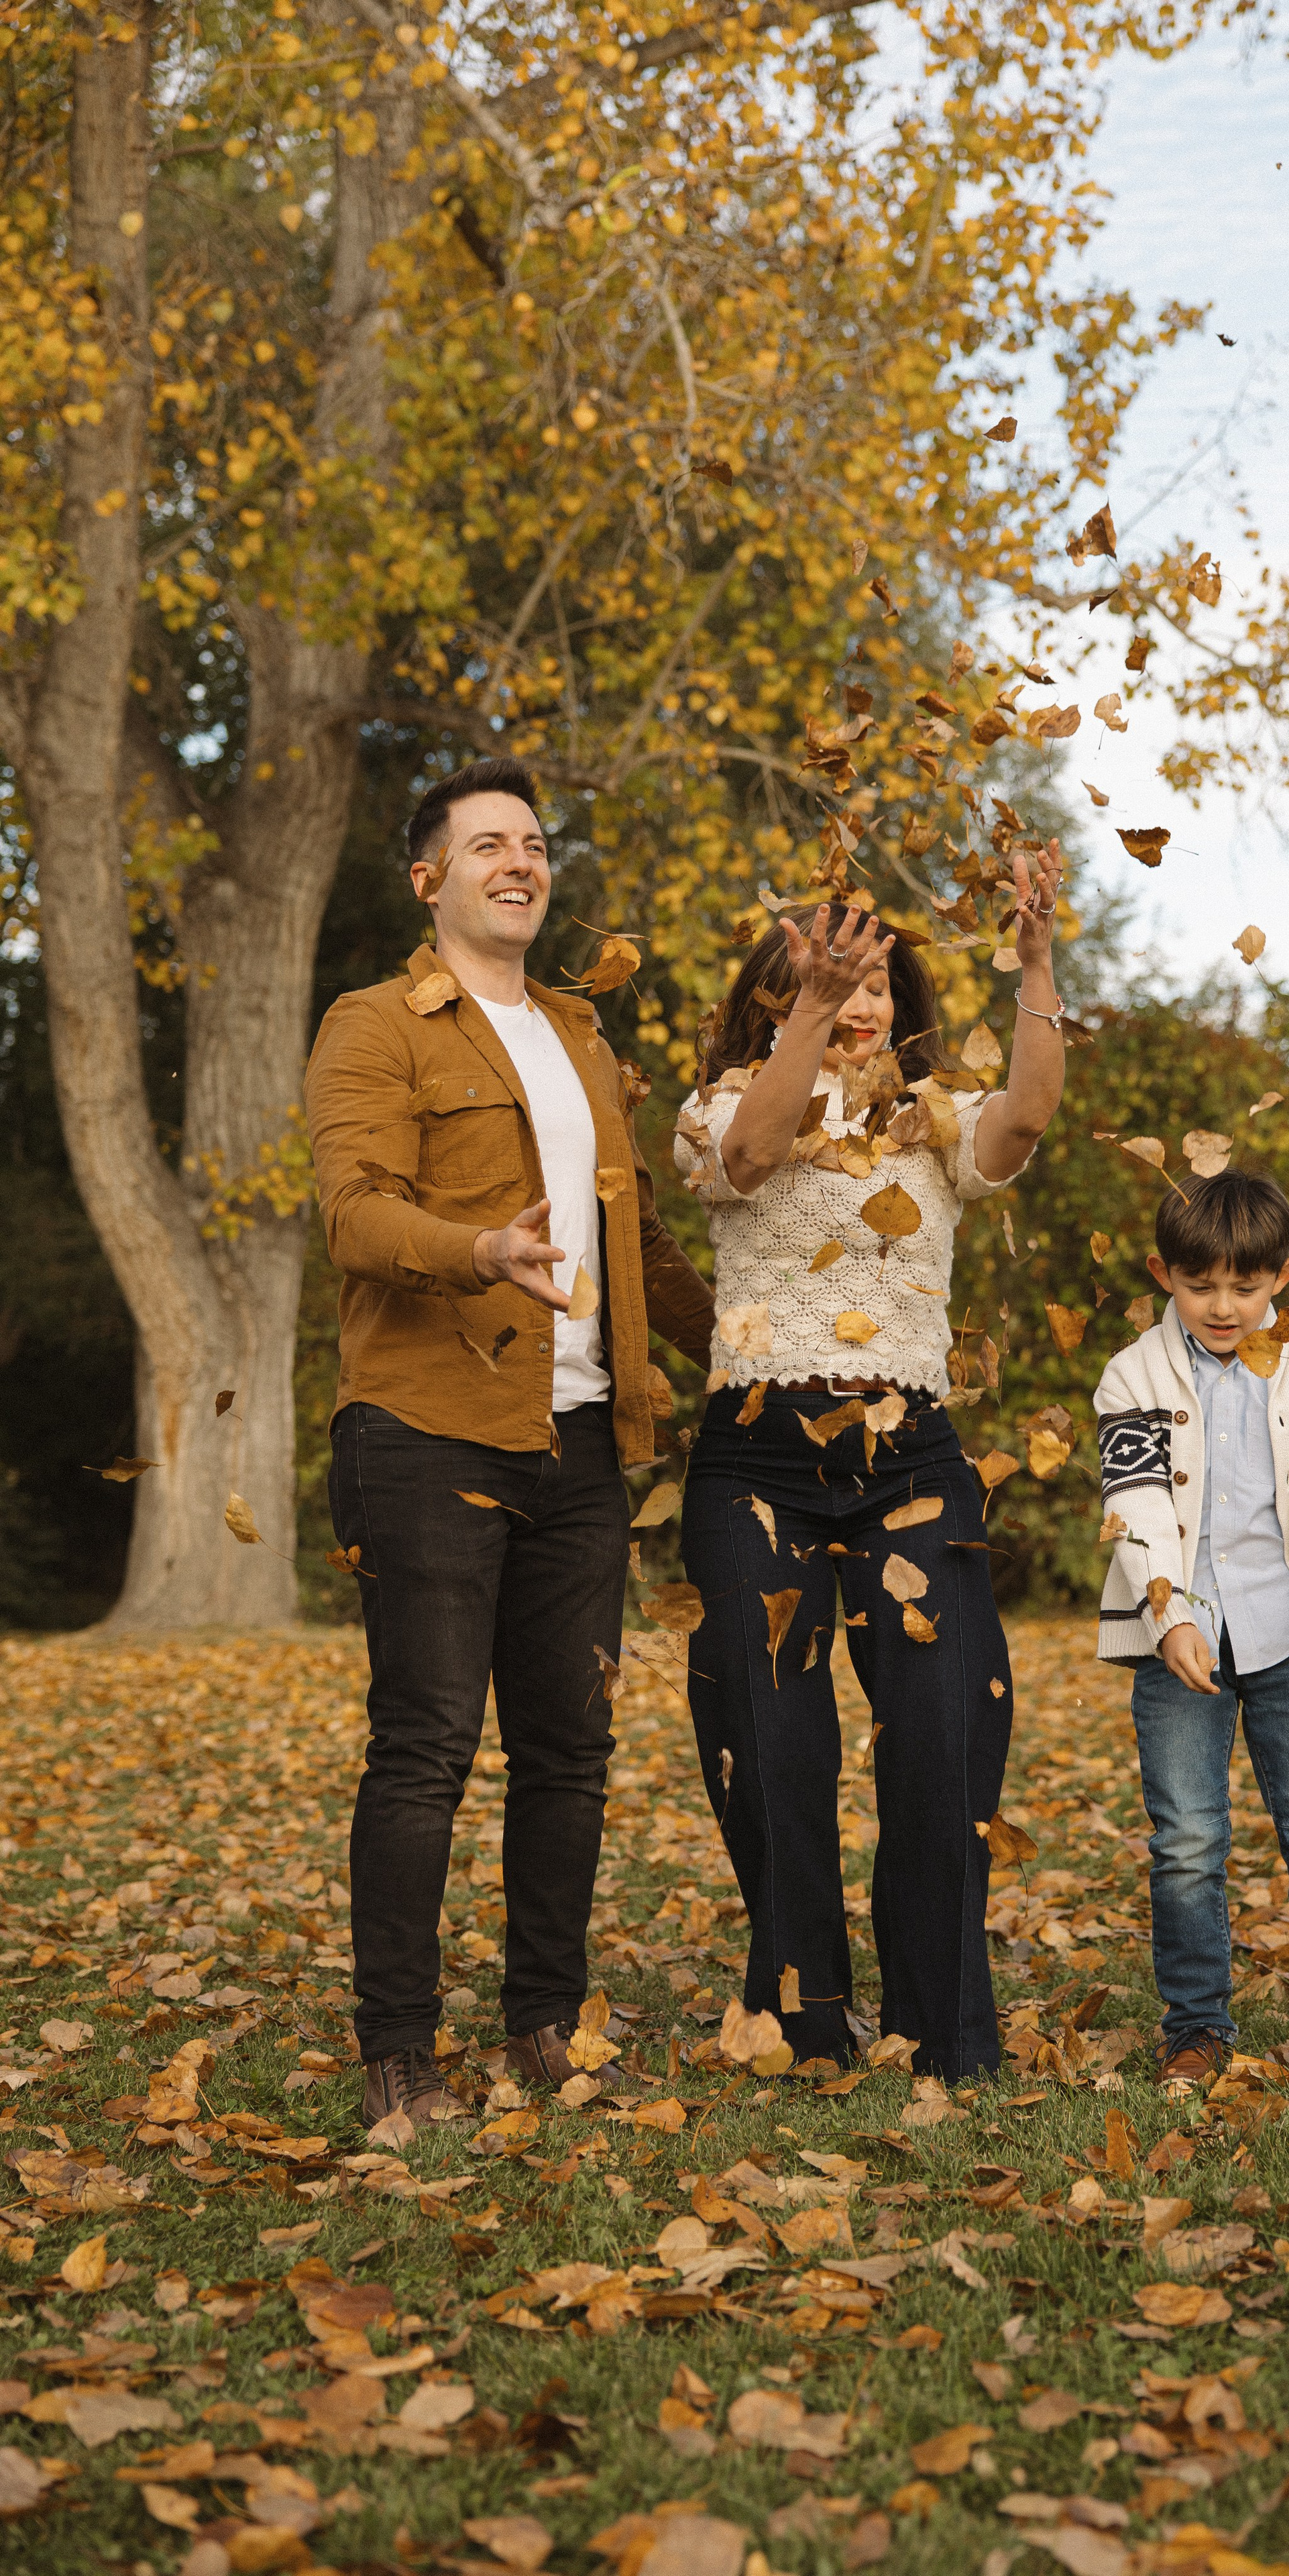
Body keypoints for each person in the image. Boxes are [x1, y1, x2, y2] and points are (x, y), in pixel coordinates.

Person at [304, 756, 715, 2127]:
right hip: (429, 1427)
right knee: (424, 1744)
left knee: (569, 1747)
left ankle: (542, 2021)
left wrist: (758, 1351)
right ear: (431, 879)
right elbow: (355, 1213)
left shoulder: (582, 1037)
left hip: (582, 1438)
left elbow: (634, 1236)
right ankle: (399, 2054)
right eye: (486, 845)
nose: (518, 862)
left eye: (533, 843)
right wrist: (477, 1248)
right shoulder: (373, 1027)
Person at [673, 857, 1066, 2078]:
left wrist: (1038, 958)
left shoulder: (935, 1117)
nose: (861, 994)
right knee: (772, 1738)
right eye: (828, 972)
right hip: (757, 1458)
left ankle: (942, 2023)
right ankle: (802, 2016)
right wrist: (808, 1014)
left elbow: (1030, 1116)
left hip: (911, 1455)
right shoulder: (716, 1104)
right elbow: (750, 1159)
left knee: (946, 1730)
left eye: (878, 977)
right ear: (771, 992)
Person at [1092, 1169, 1289, 2089]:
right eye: (1200, 1285)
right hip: (1180, 1646)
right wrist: (1168, 1613)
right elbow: (1136, 1502)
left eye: (1245, 1285)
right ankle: (1195, 2030)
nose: (1222, 1305)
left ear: (1283, 1275)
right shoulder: (1133, 1376)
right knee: (1187, 1841)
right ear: (1164, 1274)